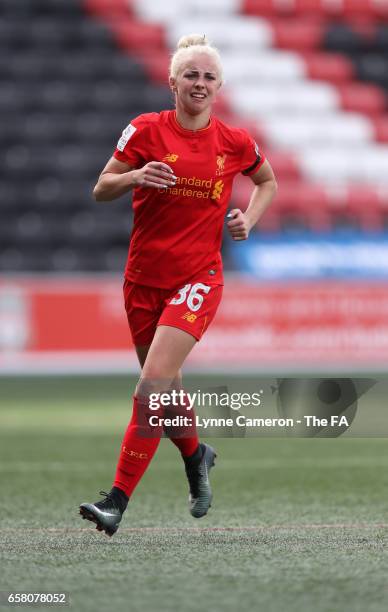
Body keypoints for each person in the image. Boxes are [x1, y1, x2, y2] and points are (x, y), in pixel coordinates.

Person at [79, 34, 277, 536]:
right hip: (142, 280)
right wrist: (136, 176)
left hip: (198, 278)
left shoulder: (233, 141)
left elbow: (267, 181)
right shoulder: (145, 130)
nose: (200, 83)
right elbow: (102, 187)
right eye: (191, 74)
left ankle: (116, 501)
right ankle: (196, 456)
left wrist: (248, 220)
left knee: (150, 388)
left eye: (209, 76)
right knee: (166, 394)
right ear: (172, 83)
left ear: (219, 87)